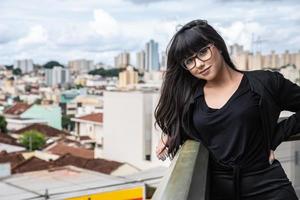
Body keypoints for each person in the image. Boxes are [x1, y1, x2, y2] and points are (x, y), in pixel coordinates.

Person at [154, 19, 300, 200]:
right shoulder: (191, 100)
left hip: (268, 186)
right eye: (189, 61)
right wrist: (171, 133)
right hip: (219, 191)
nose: (199, 63)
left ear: (218, 46)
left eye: (202, 52)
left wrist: (276, 136)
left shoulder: (265, 83)